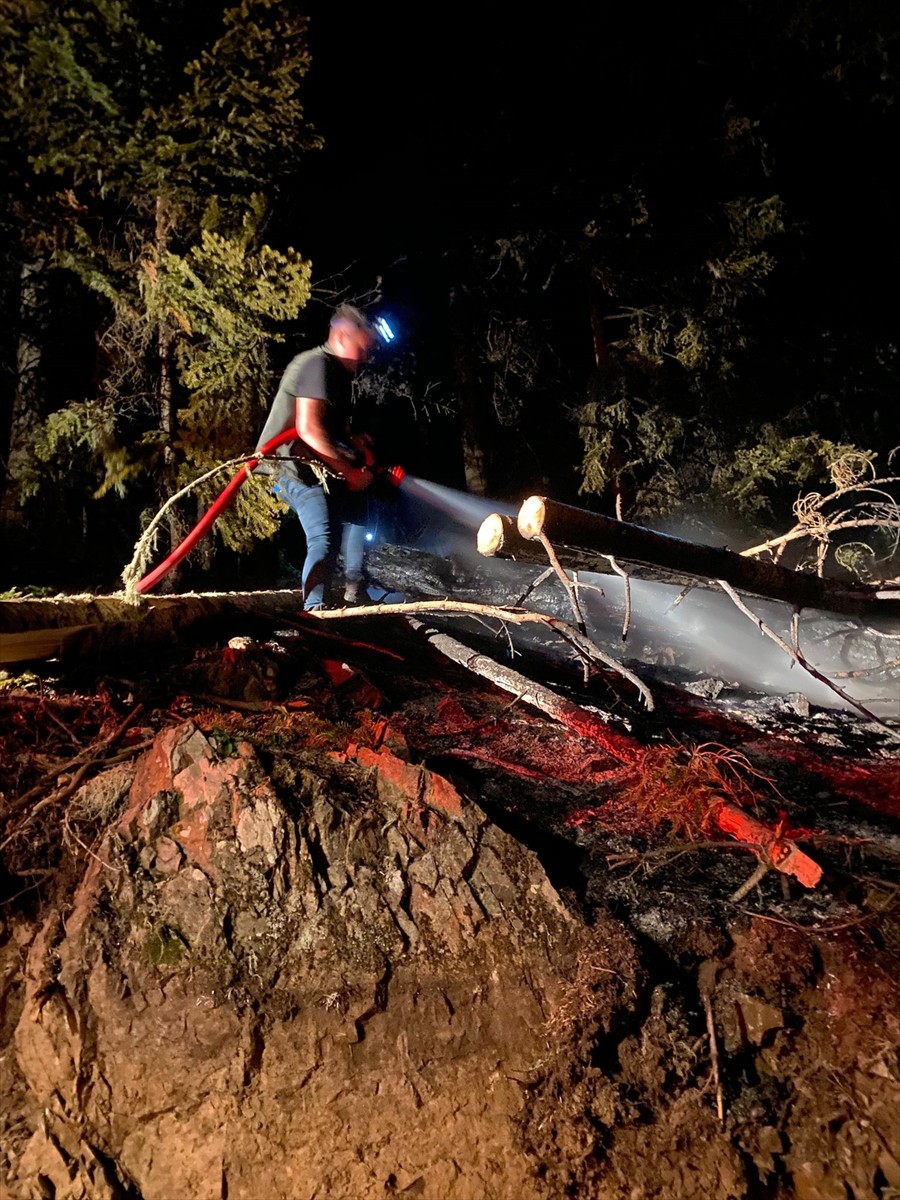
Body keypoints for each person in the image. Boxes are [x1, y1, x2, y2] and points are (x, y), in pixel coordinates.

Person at [256, 304, 379, 610]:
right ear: (341, 336)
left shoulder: (339, 376)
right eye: (362, 349)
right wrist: (349, 473)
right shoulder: (316, 364)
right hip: (291, 466)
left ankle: (353, 589)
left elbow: (335, 424)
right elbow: (309, 428)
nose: (366, 358)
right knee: (323, 538)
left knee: (357, 512)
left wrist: (353, 440)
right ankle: (314, 611)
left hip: (316, 466)